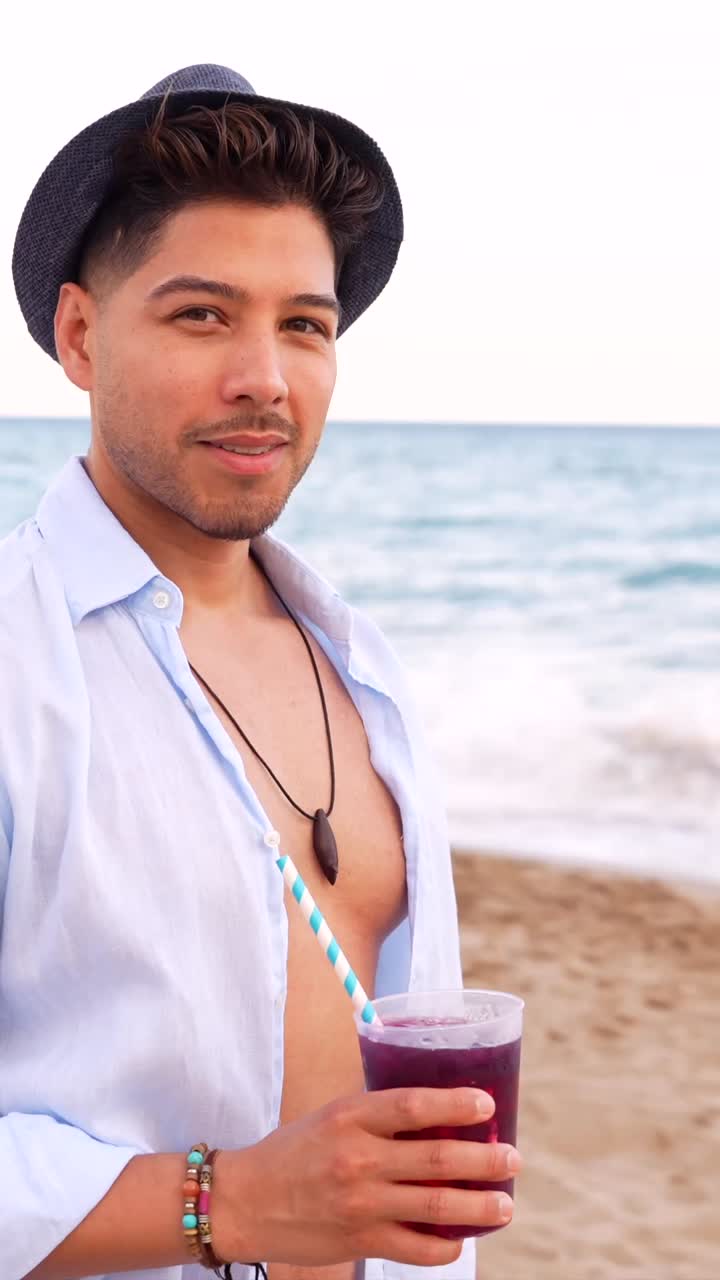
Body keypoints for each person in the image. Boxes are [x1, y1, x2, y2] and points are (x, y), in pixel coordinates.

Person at [1, 64, 521, 1280]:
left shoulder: (365, 668)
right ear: (80, 334)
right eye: (200, 315)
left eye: (304, 324)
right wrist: (222, 1201)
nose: (265, 379)